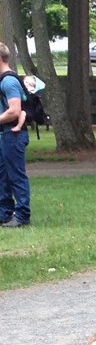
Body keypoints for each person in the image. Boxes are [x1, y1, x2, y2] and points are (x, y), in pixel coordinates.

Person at [0, 42, 30, 228]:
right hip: (5, 134)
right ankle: (4, 214)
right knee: (2, 176)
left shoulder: (8, 81)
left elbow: (14, 111)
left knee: (16, 176)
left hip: (13, 134)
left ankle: (22, 215)